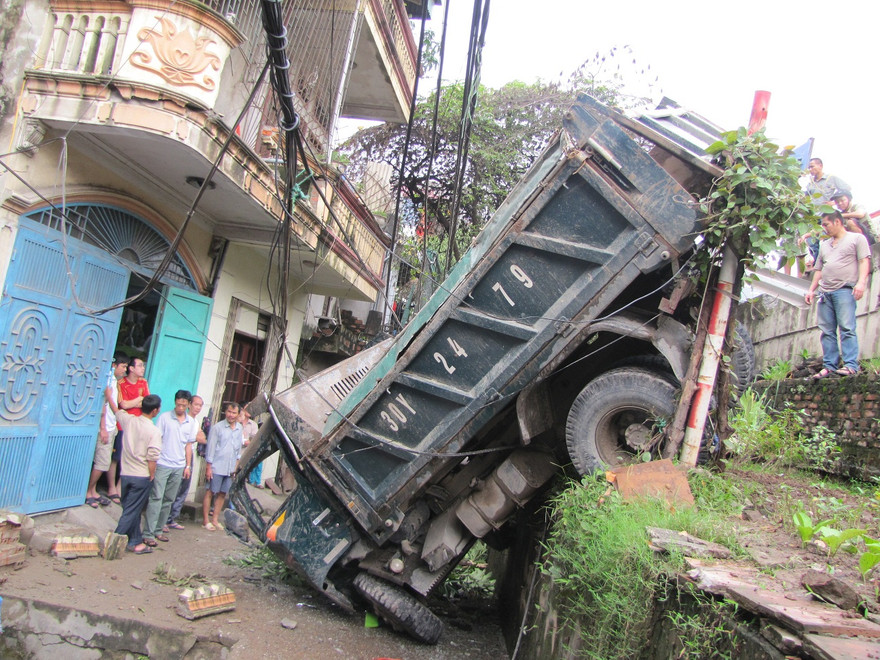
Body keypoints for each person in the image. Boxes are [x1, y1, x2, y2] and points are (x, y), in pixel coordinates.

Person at [805, 211, 871, 379]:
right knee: (827, 331)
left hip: (844, 289)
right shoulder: (825, 245)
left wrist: (861, 283)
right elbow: (819, 269)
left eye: (826, 224)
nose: (824, 228)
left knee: (847, 328)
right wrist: (812, 289)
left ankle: (850, 365)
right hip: (825, 292)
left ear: (837, 222)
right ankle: (829, 366)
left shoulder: (856, 239)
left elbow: (864, 261)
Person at [142, 390, 196, 546]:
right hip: (163, 463)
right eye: (178, 404)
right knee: (156, 497)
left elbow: (188, 445)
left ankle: (159, 530)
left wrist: (187, 466)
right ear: (175, 402)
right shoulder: (165, 418)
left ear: (188, 405)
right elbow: (157, 439)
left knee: (169, 499)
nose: (180, 407)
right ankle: (148, 533)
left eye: (183, 405)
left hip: (179, 466)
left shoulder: (190, 422)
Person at [114, 394, 162, 555]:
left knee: (131, 509)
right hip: (141, 476)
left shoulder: (130, 421)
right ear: (155, 411)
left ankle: (135, 542)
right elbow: (152, 457)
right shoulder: (153, 431)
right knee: (130, 511)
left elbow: (118, 411)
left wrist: (109, 396)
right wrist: (152, 475)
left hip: (125, 474)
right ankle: (113, 541)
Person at [85, 352, 127, 508]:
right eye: (123, 366)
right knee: (102, 463)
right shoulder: (108, 380)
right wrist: (103, 427)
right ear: (114, 365)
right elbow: (103, 406)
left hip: (111, 426)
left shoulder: (115, 381)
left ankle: (94, 491)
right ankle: (88, 491)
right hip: (106, 427)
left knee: (102, 461)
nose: (125, 370)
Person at [108, 357, 150, 503]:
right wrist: (137, 400)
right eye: (140, 366)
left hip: (137, 426)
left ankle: (120, 487)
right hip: (123, 425)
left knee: (130, 457)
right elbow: (123, 404)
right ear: (131, 368)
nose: (143, 368)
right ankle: (111, 487)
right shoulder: (121, 383)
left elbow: (147, 402)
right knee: (116, 457)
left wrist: (136, 402)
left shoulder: (143, 382)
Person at [166, 394, 206, 530]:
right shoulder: (185, 420)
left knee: (184, 488)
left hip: (190, 456)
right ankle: (165, 518)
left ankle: (172, 517)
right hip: (179, 455)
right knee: (174, 488)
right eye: (196, 404)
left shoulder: (195, 421)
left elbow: (202, 437)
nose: (198, 408)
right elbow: (192, 439)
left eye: (200, 405)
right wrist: (196, 437)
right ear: (189, 405)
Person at [202, 402, 243, 531]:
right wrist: (209, 467)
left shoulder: (239, 428)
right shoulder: (217, 428)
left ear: (238, 414)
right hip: (217, 466)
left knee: (222, 494)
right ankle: (205, 520)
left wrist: (235, 468)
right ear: (226, 412)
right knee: (210, 492)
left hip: (230, 468)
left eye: (234, 413)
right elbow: (211, 448)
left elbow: (238, 450)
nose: (231, 415)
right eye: (229, 412)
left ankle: (215, 519)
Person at [240, 404, 262, 488]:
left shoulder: (253, 425)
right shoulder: (237, 421)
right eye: (247, 408)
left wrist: (248, 442)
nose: (250, 410)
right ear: (242, 409)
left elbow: (254, 440)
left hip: (246, 454)